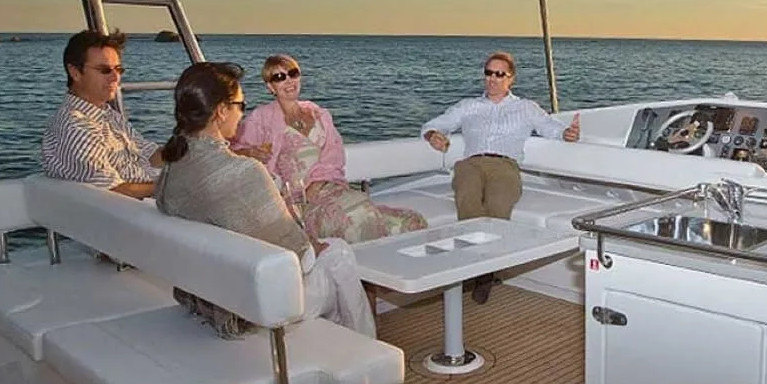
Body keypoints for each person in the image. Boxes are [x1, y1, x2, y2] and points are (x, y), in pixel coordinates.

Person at [155, 61, 376, 338]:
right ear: (221, 111)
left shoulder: (174, 166)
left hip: (204, 297)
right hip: (249, 310)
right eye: (241, 106)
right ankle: (366, 344)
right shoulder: (243, 172)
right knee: (338, 253)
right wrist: (315, 245)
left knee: (330, 259)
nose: (242, 115)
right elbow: (300, 255)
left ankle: (345, 342)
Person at [422, 51, 581, 303]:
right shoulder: (468, 106)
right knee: (468, 198)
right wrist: (433, 135)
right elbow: (436, 124)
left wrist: (567, 134)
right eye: (488, 73)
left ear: (511, 78)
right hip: (471, 163)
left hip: (505, 165)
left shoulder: (526, 107)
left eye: (499, 74)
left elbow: (549, 127)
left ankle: (481, 272)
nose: (493, 79)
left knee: (497, 205)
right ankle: (481, 270)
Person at [234, 54, 428, 243]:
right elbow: (233, 149)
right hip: (300, 203)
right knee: (356, 219)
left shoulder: (319, 114)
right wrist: (250, 152)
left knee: (412, 221)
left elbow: (334, 154)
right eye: (279, 77)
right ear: (270, 86)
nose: (289, 80)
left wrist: (317, 183)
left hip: (331, 188)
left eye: (293, 73)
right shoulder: (261, 118)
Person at [41, 29, 161, 199]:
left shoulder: (108, 115)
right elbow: (111, 192)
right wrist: (173, 188)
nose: (115, 78)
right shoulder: (74, 127)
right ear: (75, 72)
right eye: (104, 70)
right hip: (129, 210)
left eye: (118, 69)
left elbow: (149, 155)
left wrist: (189, 146)